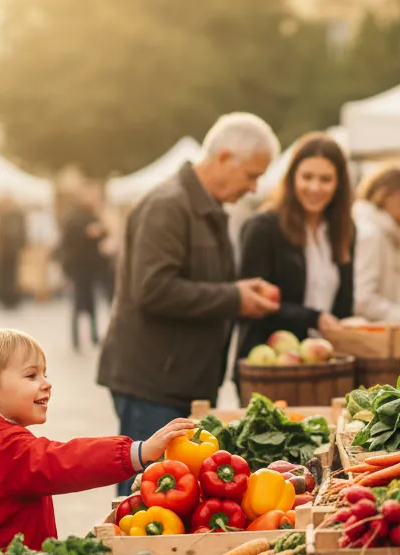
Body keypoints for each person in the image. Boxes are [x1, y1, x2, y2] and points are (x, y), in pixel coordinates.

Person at [98, 112, 281, 491]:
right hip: (154, 383)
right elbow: (153, 289)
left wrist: (240, 290)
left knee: (170, 496)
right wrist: (233, 297)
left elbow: (193, 281)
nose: (253, 187)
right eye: (252, 175)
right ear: (225, 157)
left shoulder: (204, 208)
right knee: (147, 496)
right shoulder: (168, 206)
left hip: (177, 380)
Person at [0, 329, 196, 554]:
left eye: (45, 373)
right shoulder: (2, 447)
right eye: (31, 375)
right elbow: (66, 460)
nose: (46, 383)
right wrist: (139, 451)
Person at [238, 132, 355, 359]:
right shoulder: (264, 228)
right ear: (292, 178)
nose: (314, 187)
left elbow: (344, 305)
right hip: (269, 362)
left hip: (326, 361)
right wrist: (313, 318)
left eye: (325, 179)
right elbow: (251, 304)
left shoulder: (344, 231)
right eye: (307, 177)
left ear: (339, 184)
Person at [350, 167, 400, 323]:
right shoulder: (371, 233)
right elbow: (363, 300)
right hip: (371, 340)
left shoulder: (389, 233)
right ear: (385, 194)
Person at [60, 187, 108, 350]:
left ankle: (93, 335)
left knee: (91, 302)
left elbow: (103, 234)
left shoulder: (93, 216)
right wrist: (86, 233)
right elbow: (68, 240)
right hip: (78, 267)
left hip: (90, 266)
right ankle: (76, 339)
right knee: (77, 302)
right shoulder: (74, 218)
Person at [0, 199, 27, 309]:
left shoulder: (12, 217)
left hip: (12, 250)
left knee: (12, 276)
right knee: (7, 275)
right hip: (7, 250)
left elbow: (22, 232)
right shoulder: (4, 217)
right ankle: (7, 298)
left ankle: (11, 298)